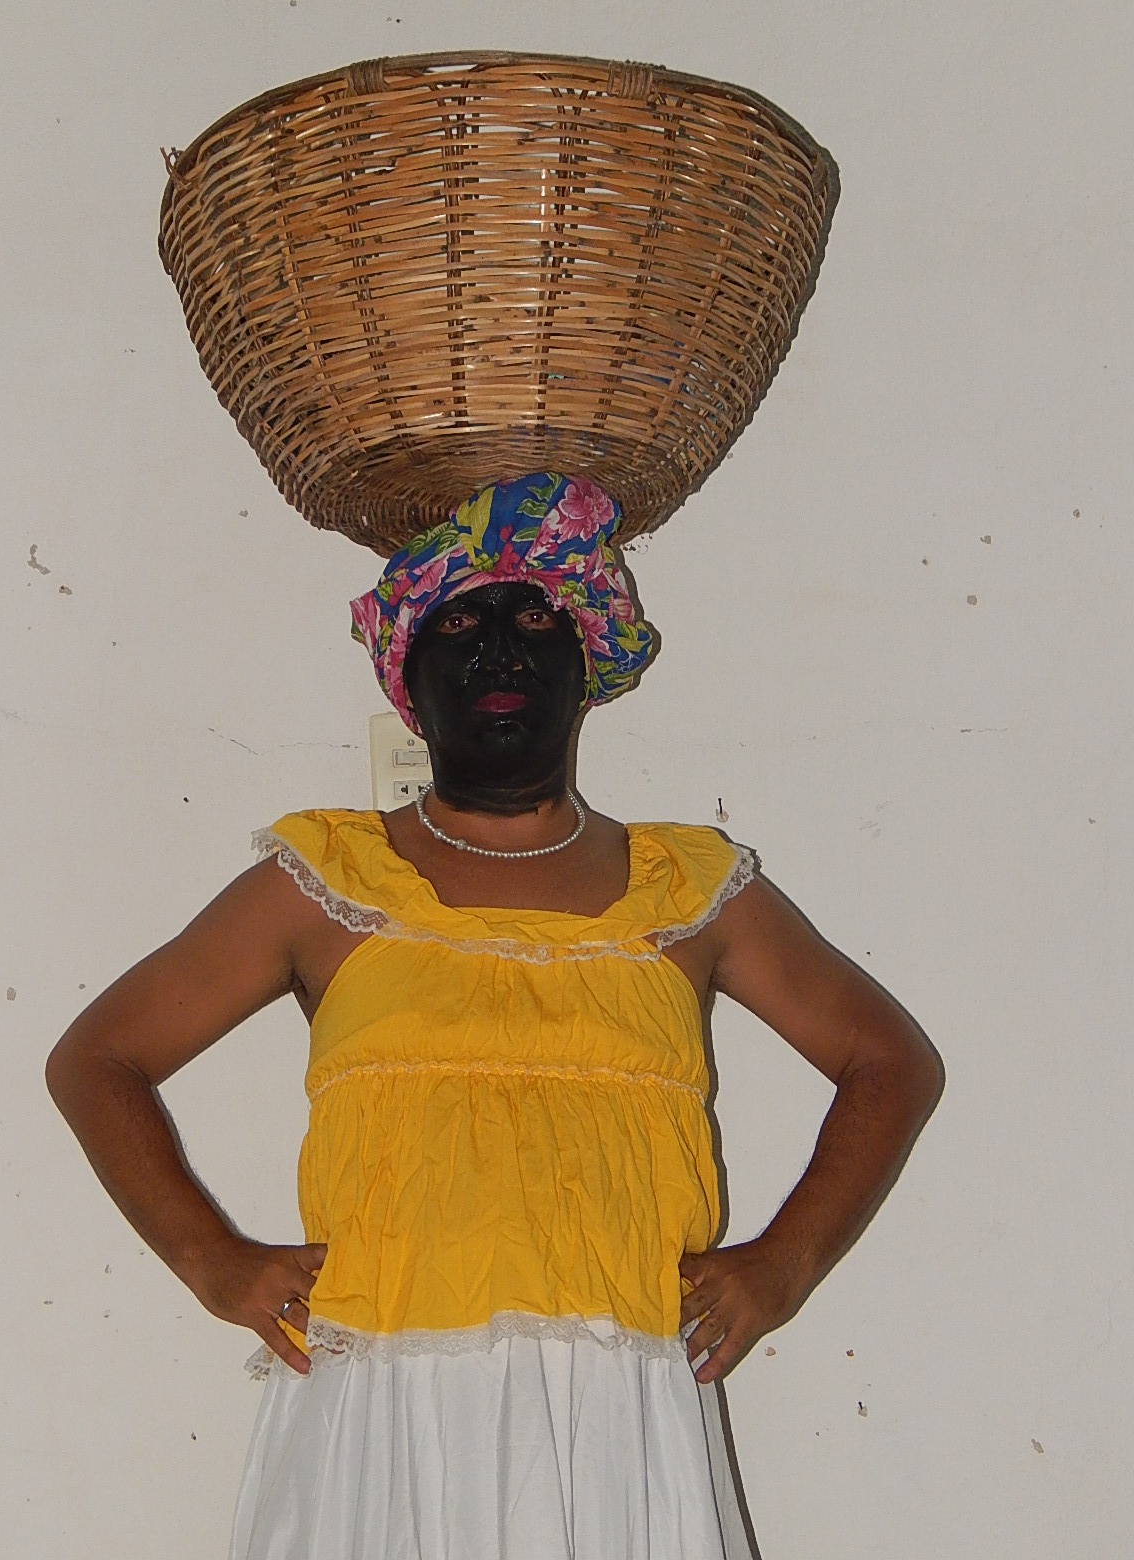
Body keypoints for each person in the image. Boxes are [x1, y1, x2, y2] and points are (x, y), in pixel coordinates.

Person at [46, 471, 942, 1559]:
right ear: (409, 683)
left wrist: (783, 1266)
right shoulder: (324, 883)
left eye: (536, 623)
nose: (502, 654)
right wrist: (211, 1260)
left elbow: (890, 1060)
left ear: (587, 668)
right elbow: (98, 1058)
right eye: (461, 627)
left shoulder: (691, 892)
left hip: (618, 1416)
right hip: (382, 1409)